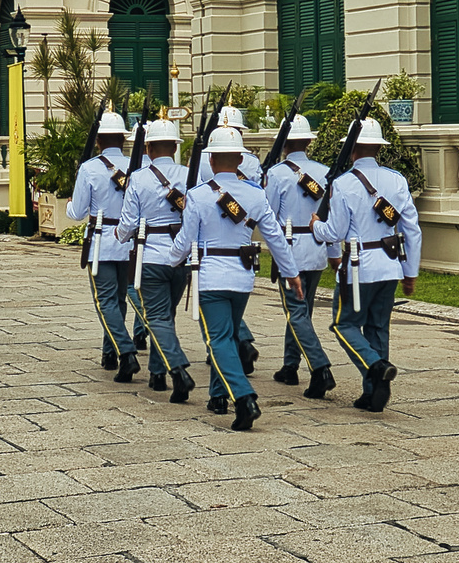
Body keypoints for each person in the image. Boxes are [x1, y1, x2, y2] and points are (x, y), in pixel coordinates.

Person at [167, 126, 303, 430]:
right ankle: (218, 395)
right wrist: (291, 272)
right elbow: (275, 238)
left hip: (211, 276)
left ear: (211, 160)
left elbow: (184, 241)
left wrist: (170, 261)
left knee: (218, 340)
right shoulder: (255, 194)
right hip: (242, 277)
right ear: (240, 159)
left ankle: (243, 397)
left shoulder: (198, 195)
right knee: (226, 337)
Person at [310, 117, 422, 413]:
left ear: (352, 149)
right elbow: (412, 229)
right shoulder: (397, 180)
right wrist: (410, 271)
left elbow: (334, 232)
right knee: (377, 327)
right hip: (390, 264)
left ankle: (375, 366)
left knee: (343, 323)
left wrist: (316, 227)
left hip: (359, 266)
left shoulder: (344, 183)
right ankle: (373, 393)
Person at [116, 113, 194, 402]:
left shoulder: (138, 178)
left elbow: (128, 221)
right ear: (174, 147)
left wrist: (120, 237)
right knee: (167, 315)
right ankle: (157, 374)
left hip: (151, 255)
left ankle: (178, 370)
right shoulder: (189, 175)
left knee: (158, 317)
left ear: (148, 149)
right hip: (181, 256)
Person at [263, 114, 336, 399]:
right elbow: (329, 214)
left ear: (283, 145)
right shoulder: (325, 171)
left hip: (290, 248)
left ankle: (320, 368)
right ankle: (289, 366)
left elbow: (268, 216)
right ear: (308, 142)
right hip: (316, 245)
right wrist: (333, 253)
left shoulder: (277, 174)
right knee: (301, 312)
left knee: (296, 312)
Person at [66, 108, 140, 382]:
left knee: (105, 301)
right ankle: (110, 353)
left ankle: (126, 351)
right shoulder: (139, 165)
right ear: (123, 140)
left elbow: (78, 212)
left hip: (103, 240)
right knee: (119, 299)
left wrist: (70, 205)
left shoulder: (90, 168)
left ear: (98, 141)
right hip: (131, 241)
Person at [194, 106, 263, 374]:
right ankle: (238, 343)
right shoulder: (253, 163)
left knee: (211, 307)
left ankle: (225, 351)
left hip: (208, 234)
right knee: (230, 303)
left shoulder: (203, 160)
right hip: (241, 231)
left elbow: (199, 190)